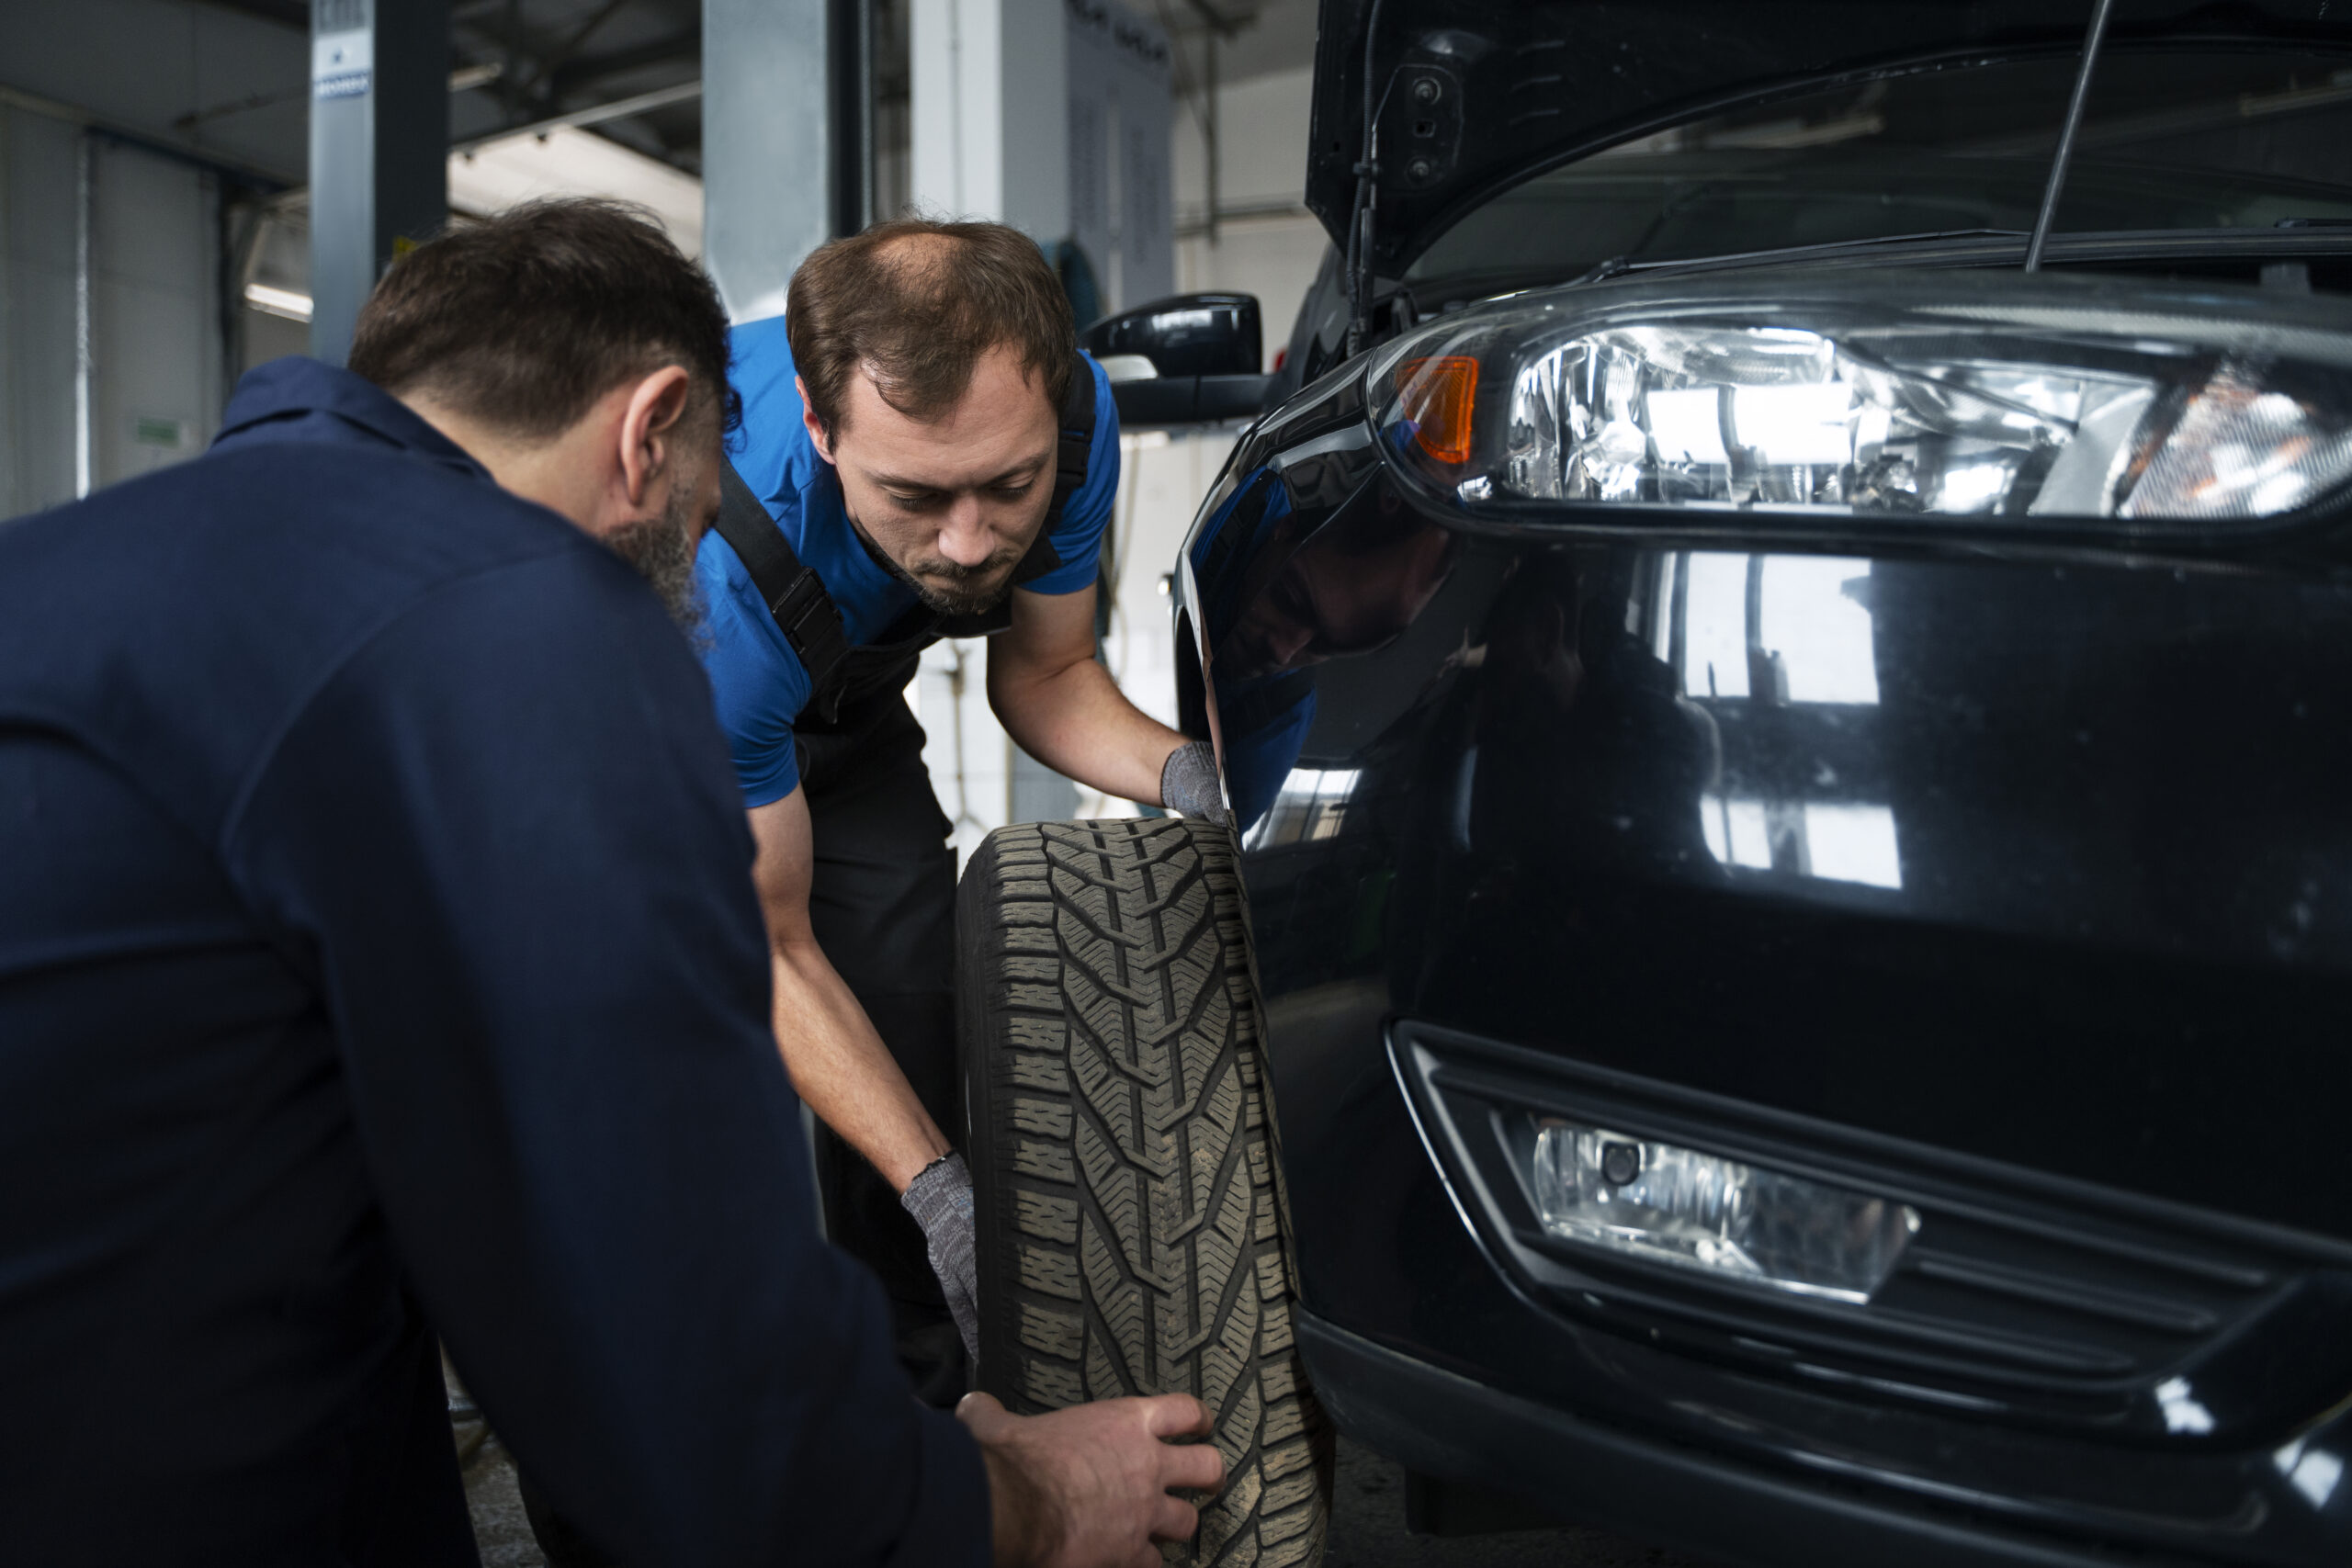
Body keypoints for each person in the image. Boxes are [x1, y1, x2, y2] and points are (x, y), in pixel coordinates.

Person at [0, 199, 1220, 1567]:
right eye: (694, 514)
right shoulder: (552, 620)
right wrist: (1032, 1505)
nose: (963, 532)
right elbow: (705, 1383)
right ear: (656, 433)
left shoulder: (62, 566)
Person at [695, 220, 1226, 1395]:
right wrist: (945, 1196)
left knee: (907, 1003)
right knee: (675, 1065)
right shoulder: (716, 558)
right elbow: (774, 950)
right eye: (916, 496)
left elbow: (1042, 677)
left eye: (1009, 485)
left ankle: (935, 1411)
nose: (972, 542)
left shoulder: (1070, 414)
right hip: (664, 712)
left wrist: (1204, 786)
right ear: (823, 429)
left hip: (842, 699)